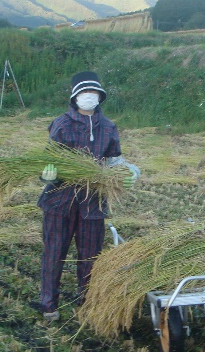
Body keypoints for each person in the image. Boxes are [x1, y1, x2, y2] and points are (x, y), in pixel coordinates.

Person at [36, 71, 140, 321]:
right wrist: (47, 175)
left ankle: (86, 303)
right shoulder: (61, 124)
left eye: (93, 93)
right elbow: (49, 159)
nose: (89, 97)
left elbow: (115, 159)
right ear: (75, 97)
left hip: (92, 201)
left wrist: (129, 172)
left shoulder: (108, 127)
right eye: (84, 92)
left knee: (90, 256)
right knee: (54, 252)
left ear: (100, 96)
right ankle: (48, 304)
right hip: (60, 200)